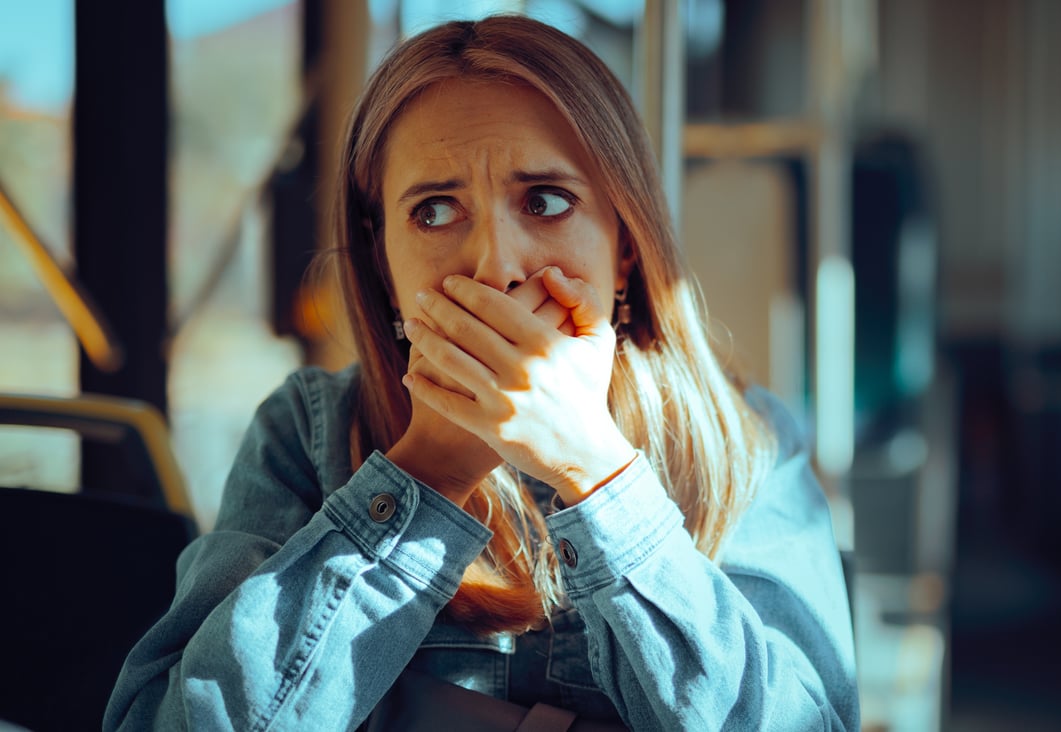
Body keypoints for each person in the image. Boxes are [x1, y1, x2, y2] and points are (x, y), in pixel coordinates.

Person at [105, 15, 857, 731]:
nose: (496, 267)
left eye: (547, 201)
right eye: (435, 211)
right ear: (383, 262)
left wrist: (595, 472)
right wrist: (427, 474)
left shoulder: (744, 442)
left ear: (625, 244)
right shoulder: (308, 433)